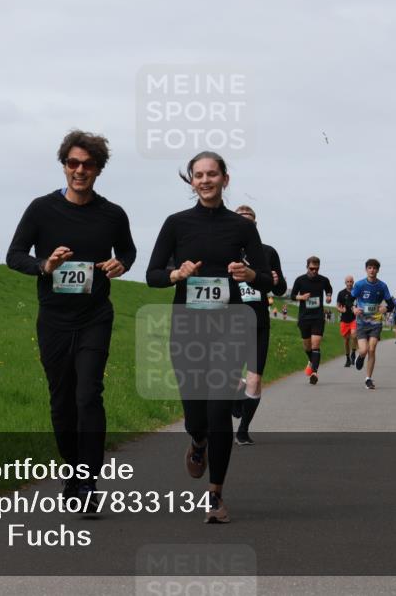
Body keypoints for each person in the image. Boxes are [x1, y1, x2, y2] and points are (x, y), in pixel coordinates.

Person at [6, 130, 136, 504]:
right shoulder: (41, 209)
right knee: (61, 401)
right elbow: (14, 255)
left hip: (95, 315)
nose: (79, 170)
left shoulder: (112, 214)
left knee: (88, 395)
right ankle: (71, 469)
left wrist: (120, 264)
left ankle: (89, 481)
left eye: (87, 165)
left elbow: (127, 250)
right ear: (64, 166)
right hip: (54, 320)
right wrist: (45, 265)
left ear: (98, 169)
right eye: (72, 163)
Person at [146, 151, 273, 524]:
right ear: (191, 181)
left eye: (211, 174)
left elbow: (266, 279)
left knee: (219, 412)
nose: (205, 180)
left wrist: (250, 275)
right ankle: (197, 440)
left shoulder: (242, 227)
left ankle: (215, 496)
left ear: (224, 179)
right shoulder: (176, 224)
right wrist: (175, 274)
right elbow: (153, 273)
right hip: (187, 327)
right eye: (198, 175)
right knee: (195, 416)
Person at [231, 205, 287, 446]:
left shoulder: (267, 252)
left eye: (250, 223)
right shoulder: (224, 250)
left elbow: (282, 288)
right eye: (241, 222)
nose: (246, 226)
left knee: (254, 379)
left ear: (255, 226)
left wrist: (275, 281)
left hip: (259, 322)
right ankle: (238, 393)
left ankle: (243, 430)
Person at [351, 258, 395, 390]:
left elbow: (391, 304)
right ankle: (361, 357)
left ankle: (368, 379)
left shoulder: (382, 286)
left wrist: (385, 308)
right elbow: (349, 300)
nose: (372, 270)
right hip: (361, 322)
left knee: (372, 348)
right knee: (364, 350)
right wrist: (353, 308)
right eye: (369, 268)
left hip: (375, 321)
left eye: (374, 268)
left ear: (378, 270)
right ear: (366, 269)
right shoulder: (359, 285)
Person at [289, 257, 333, 385]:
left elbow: (328, 289)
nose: (314, 271)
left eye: (317, 269)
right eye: (312, 268)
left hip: (318, 317)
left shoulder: (323, 280)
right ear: (307, 267)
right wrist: (301, 297)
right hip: (304, 317)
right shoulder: (300, 280)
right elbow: (292, 296)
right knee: (307, 346)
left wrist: (329, 296)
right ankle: (311, 360)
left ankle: (314, 372)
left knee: (316, 344)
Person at [336, 275, 358, 367]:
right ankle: (348, 358)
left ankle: (353, 352)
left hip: (354, 318)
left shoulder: (356, 292)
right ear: (345, 283)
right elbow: (337, 306)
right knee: (346, 340)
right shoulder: (341, 293)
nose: (349, 283)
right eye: (347, 282)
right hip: (344, 320)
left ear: (353, 282)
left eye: (351, 281)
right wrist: (341, 310)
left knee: (354, 336)